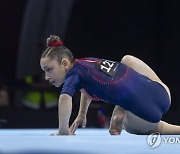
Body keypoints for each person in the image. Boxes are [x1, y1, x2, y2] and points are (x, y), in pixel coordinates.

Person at [40, 35, 180, 135]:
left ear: (64, 63)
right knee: (127, 59)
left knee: (128, 126)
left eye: (49, 70)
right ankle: (121, 107)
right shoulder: (86, 62)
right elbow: (85, 89)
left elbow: (65, 97)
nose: (46, 77)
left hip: (146, 116)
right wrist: (82, 113)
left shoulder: (73, 75)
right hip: (162, 92)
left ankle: (125, 115)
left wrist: (63, 130)